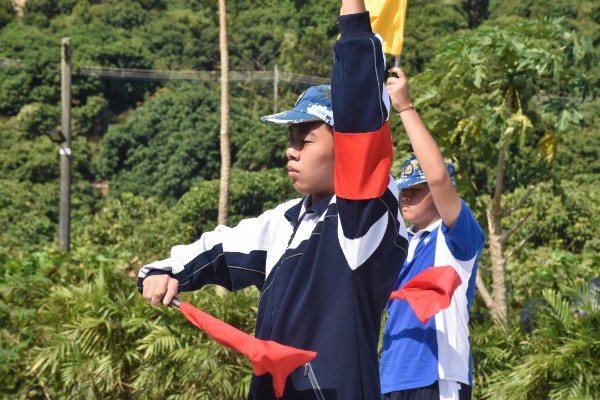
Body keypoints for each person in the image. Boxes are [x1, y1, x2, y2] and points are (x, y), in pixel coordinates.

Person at [138, 1, 408, 398]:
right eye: (290, 140)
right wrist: (165, 271)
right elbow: (215, 249)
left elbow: (361, 111)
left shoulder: (364, 218)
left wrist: (353, 24)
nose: (290, 151)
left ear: (346, 148)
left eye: (305, 140)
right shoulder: (285, 220)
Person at [379, 67, 486, 400]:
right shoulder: (399, 243)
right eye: (405, 189)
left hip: (438, 377)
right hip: (388, 381)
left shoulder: (456, 239)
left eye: (417, 189)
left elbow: (438, 177)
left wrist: (405, 108)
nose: (406, 196)